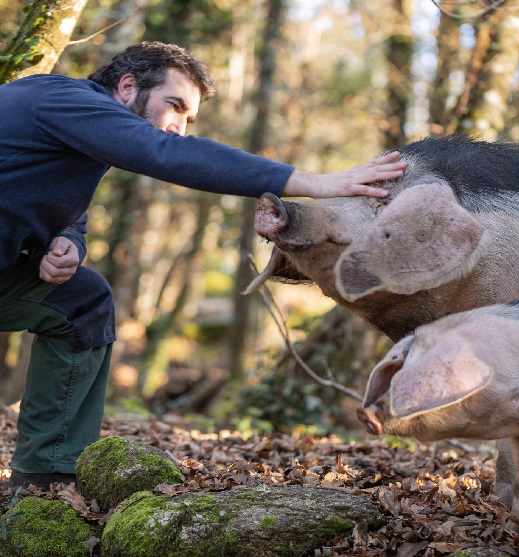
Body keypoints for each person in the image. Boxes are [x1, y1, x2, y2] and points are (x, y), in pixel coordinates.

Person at [0, 41, 406, 491]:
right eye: (174, 106)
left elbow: (66, 212)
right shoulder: (60, 100)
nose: (177, 128)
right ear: (127, 86)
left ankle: (45, 481)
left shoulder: (80, 140)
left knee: (81, 300)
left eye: (189, 119)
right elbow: (164, 153)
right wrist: (314, 182)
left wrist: (67, 243)